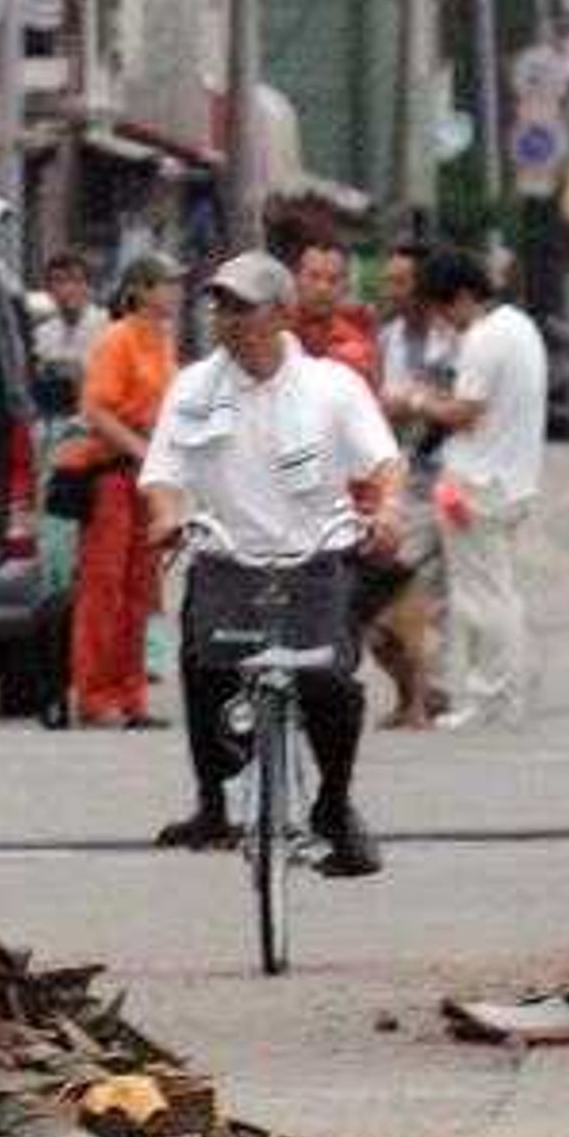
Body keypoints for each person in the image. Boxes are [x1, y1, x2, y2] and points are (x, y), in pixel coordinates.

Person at [141, 249, 402, 878]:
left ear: (281, 314)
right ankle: (213, 804)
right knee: (204, 670)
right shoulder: (195, 387)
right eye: (220, 306)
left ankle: (334, 808)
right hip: (228, 560)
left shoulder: (331, 386)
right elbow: (165, 473)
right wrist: (166, 515)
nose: (229, 321)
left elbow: (384, 463)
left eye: (244, 307)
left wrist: (388, 513)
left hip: (313, 561)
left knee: (330, 685)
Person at [410, 247, 549, 728]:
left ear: (463, 297)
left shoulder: (483, 339)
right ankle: (502, 695)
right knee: (501, 590)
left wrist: (418, 401)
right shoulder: (521, 327)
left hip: (474, 484)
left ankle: (489, 700)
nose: (445, 322)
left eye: (444, 309)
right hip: (511, 481)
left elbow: (466, 412)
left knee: (477, 597)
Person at [60, 257, 181, 728]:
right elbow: (96, 411)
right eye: (166, 284)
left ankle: (132, 696)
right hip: (111, 474)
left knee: (140, 591)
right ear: (141, 290)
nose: (174, 293)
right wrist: (139, 447)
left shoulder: (162, 341)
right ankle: (94, 695)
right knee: (103, 589)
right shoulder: (118, 338)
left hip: (146, 478)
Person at [368, 244, 457, 728]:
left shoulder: (457, 341)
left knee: (433, 595)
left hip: (449, 477)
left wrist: (418, 402)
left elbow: (470, 404)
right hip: (401, 480)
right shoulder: (386, 341)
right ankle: (416, 692)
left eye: (401, 281)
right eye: (390, 281)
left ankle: (426, 695)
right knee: (387, 595)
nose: (391, 291)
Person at [288, 243, 382, 394]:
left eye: (333, 280)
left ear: (345, 286)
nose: (322, 288)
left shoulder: (356, 339)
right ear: (296, 278)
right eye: (314, 276)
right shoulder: (274, 330)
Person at [29, 252, 111, 390]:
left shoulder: (108, 327)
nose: (68, 289)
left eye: (76, 281)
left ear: (89, 287)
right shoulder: (41, 334)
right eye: (59, 281)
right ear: (49, 290)